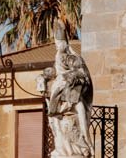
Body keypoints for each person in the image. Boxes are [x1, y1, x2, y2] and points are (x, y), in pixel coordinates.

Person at [37, 25, 93, 158]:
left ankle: (83, 147)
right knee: (56, 121)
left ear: (64, 43)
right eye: (56, 43)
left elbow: (81, 72)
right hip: (61, 90)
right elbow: (54, 71)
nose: (56, 46)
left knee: (77, 124)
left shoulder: (70, 58)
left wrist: (67, 78)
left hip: (67, 89)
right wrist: (43, 77)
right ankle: (65, 149)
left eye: (58, 43)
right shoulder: (58, 56)